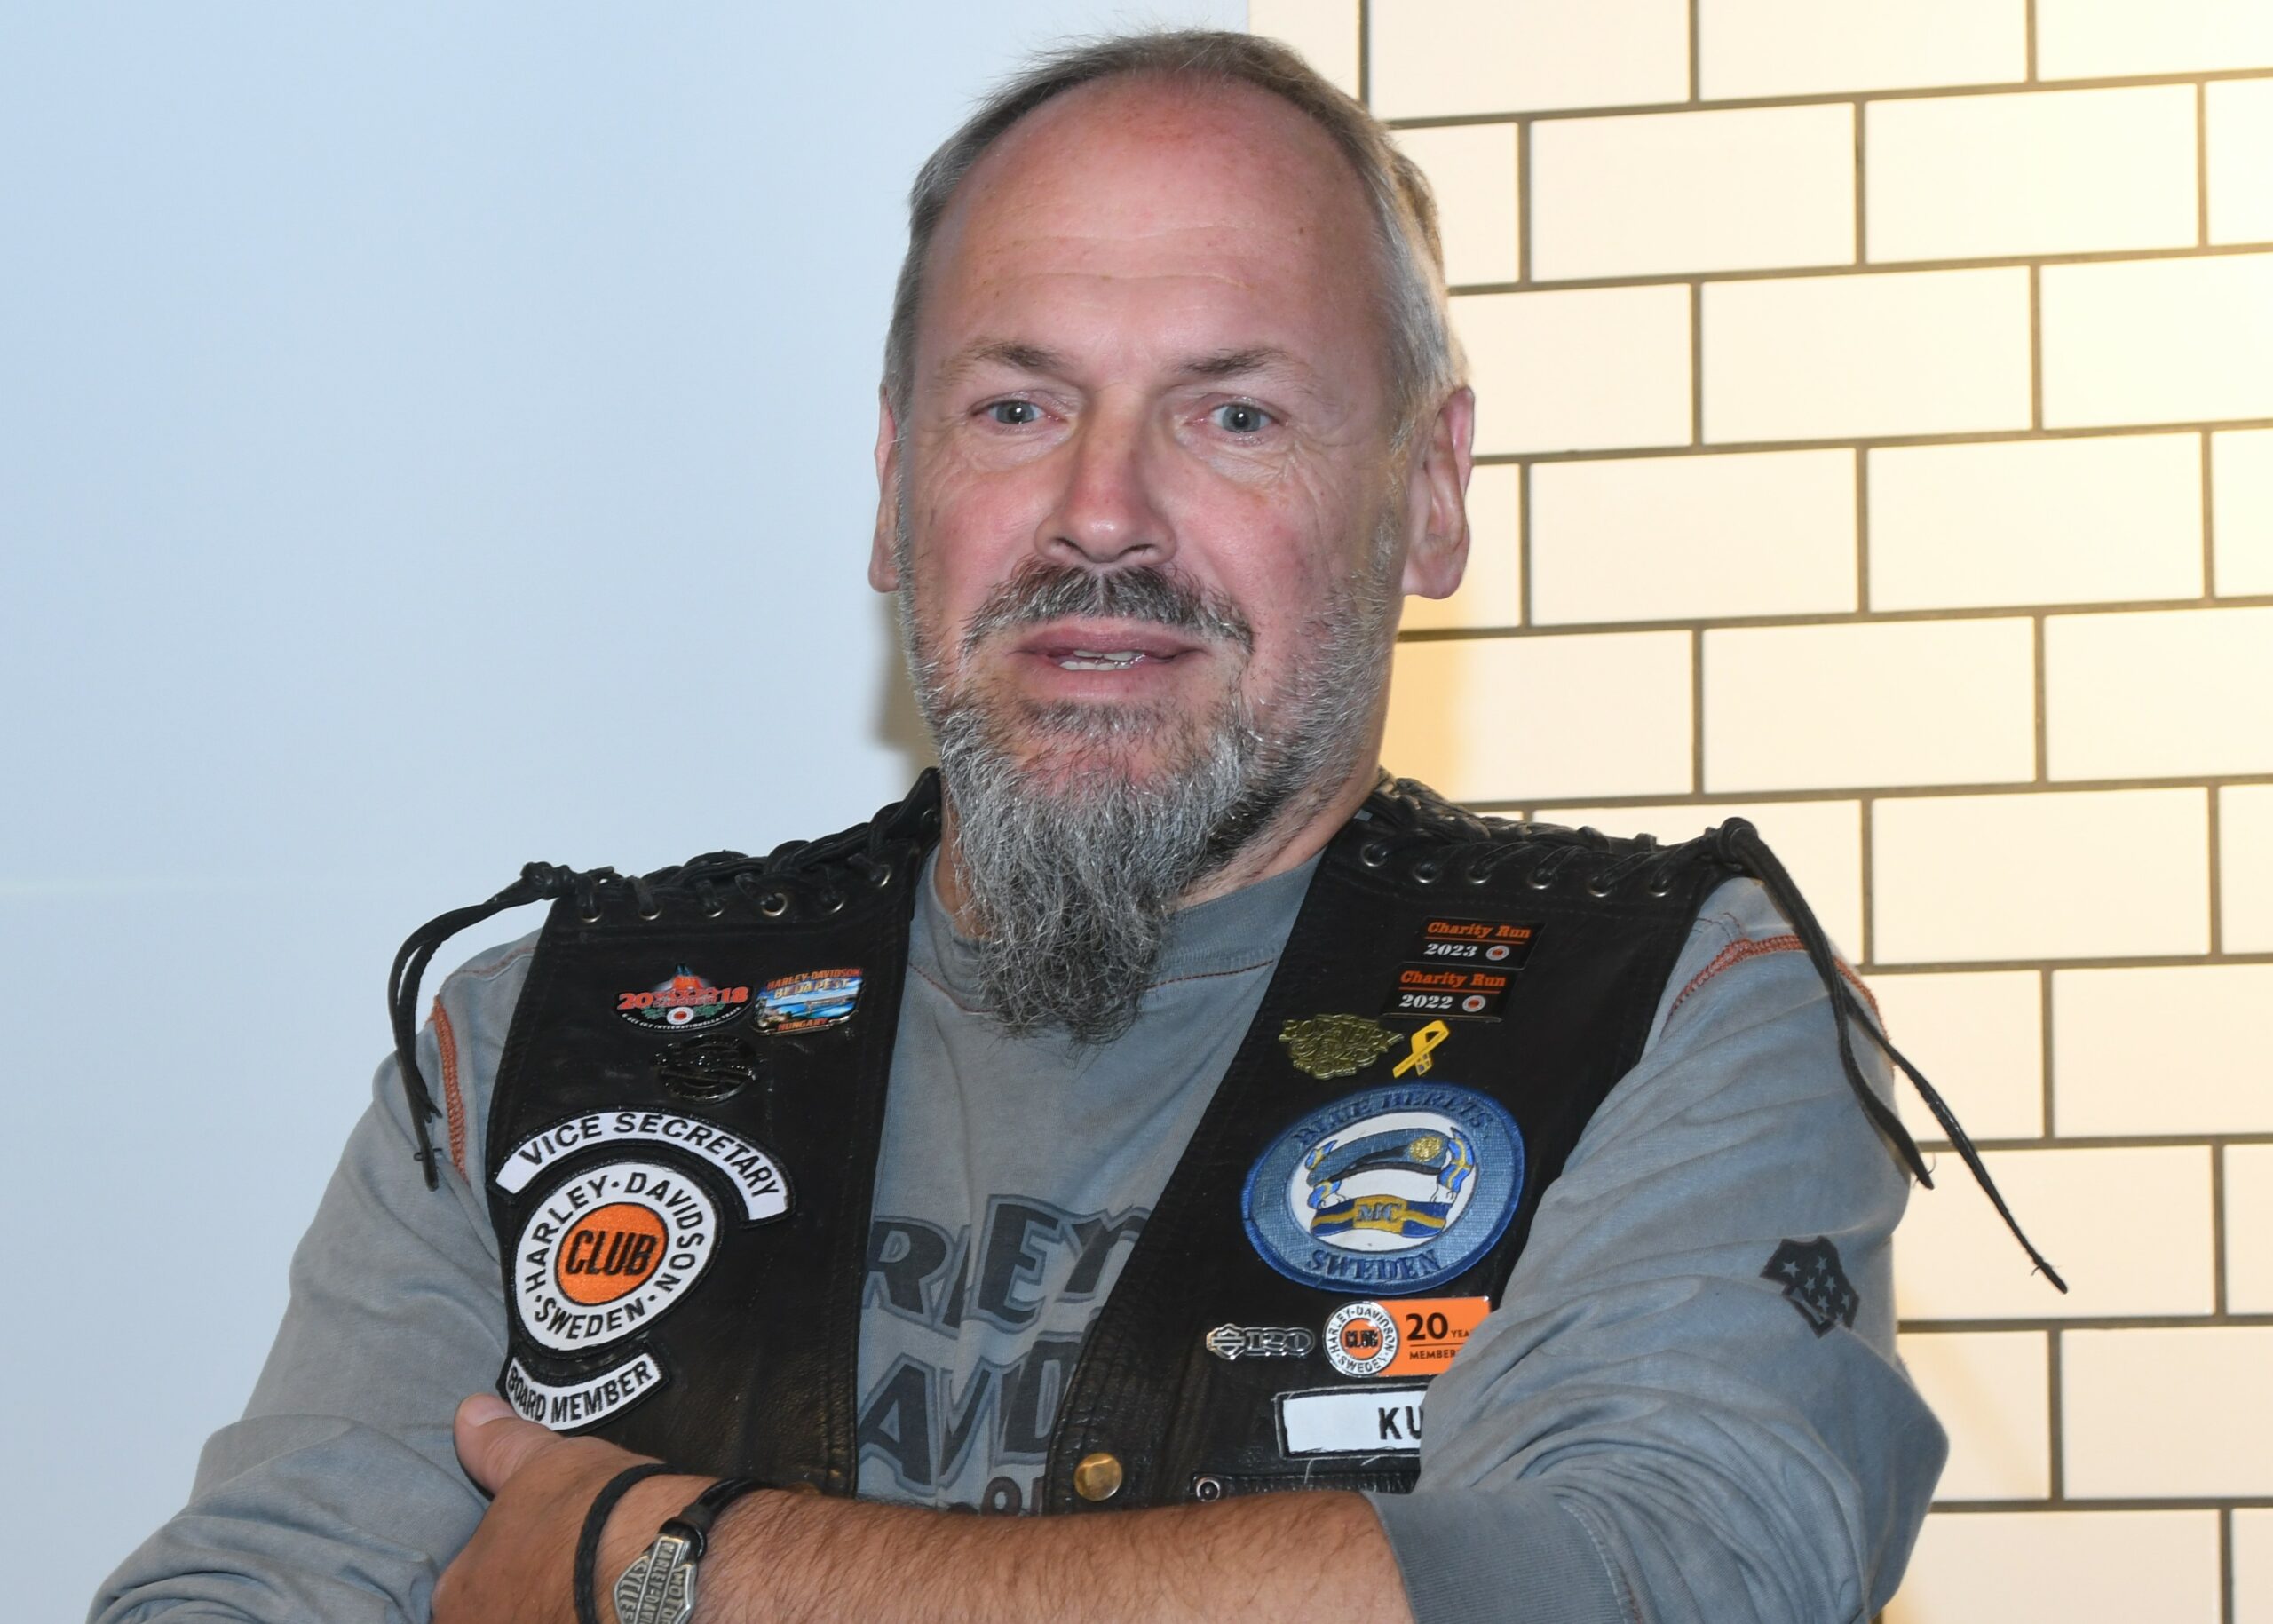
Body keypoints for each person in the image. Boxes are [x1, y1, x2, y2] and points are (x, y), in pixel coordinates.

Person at [92, 28, 2055, 1624]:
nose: (1101, 514)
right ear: (894, 484)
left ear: (1428, 492)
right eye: (1017, 409)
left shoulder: (1664, 1003)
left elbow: (1656, 1582)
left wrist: (678, 1566)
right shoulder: (545, 1033)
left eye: (1232, 414)